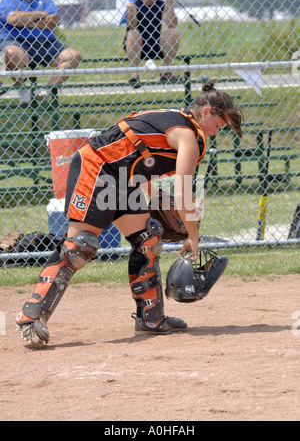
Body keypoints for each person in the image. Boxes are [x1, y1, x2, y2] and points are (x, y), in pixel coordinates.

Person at [15, 81, 243, 347]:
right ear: (206, 112)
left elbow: (140, 153)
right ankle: (30, 315)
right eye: (220, 122)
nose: (219, 129)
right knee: (79, 247)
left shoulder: (180, 124)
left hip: (124, 176)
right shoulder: (189, 135)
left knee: (148, 240)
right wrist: (194, 236)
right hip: (98, 167)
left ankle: (151, 319)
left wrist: (152, 194)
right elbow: (182, 189)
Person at [0, 0, 81, 105]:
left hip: (46, 43)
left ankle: (45, 91)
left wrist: (25, 21)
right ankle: (23, 90)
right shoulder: (7, 0)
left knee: (74, 56)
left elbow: (54, 20)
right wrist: (40, 14)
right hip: (18, 42)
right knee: (10, 53)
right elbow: (13, 19)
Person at [124, 0, 180, 87]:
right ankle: (135, 73)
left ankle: (166, 71)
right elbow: (131, 26)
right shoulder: (135, 3)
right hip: (136, 45)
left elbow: (172, 24)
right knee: (133, 32)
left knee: (174, 32)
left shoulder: (160, 4)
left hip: (155, 43)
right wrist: (132, 12)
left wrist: (169, 3)